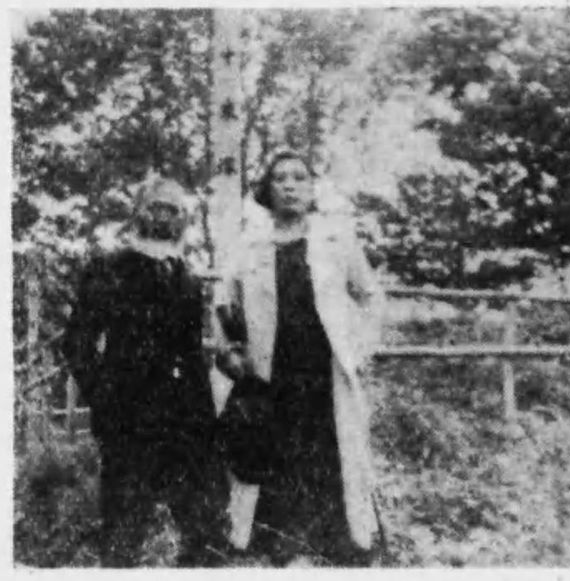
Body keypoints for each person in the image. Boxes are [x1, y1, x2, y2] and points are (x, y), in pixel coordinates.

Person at [213, 150, 386, 566]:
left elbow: (369, 296)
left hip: (325, 370)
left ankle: (340, 539)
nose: (290, 186)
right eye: (280, 179)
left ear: (312, 188)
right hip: (271, 370)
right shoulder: (249, 246)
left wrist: (360, 349)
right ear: (266, 191)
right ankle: (279, 541)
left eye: (299, 178)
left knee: (329, 449)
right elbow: (222, 302)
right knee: (276, 449)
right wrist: (229, 352)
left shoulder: (336, 240)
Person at [63, 177, 229, 567]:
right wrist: (104, 396)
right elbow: (77, 342)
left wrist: (204, 418)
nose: (164, 216)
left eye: (173, 209)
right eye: (156, 206)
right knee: (123, 530)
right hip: (127, 420)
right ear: (138, 212)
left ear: (183, 218)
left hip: (185, 422)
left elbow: (191, 354)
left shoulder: (187, 278)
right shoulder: (108, 268)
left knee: (202, 531)